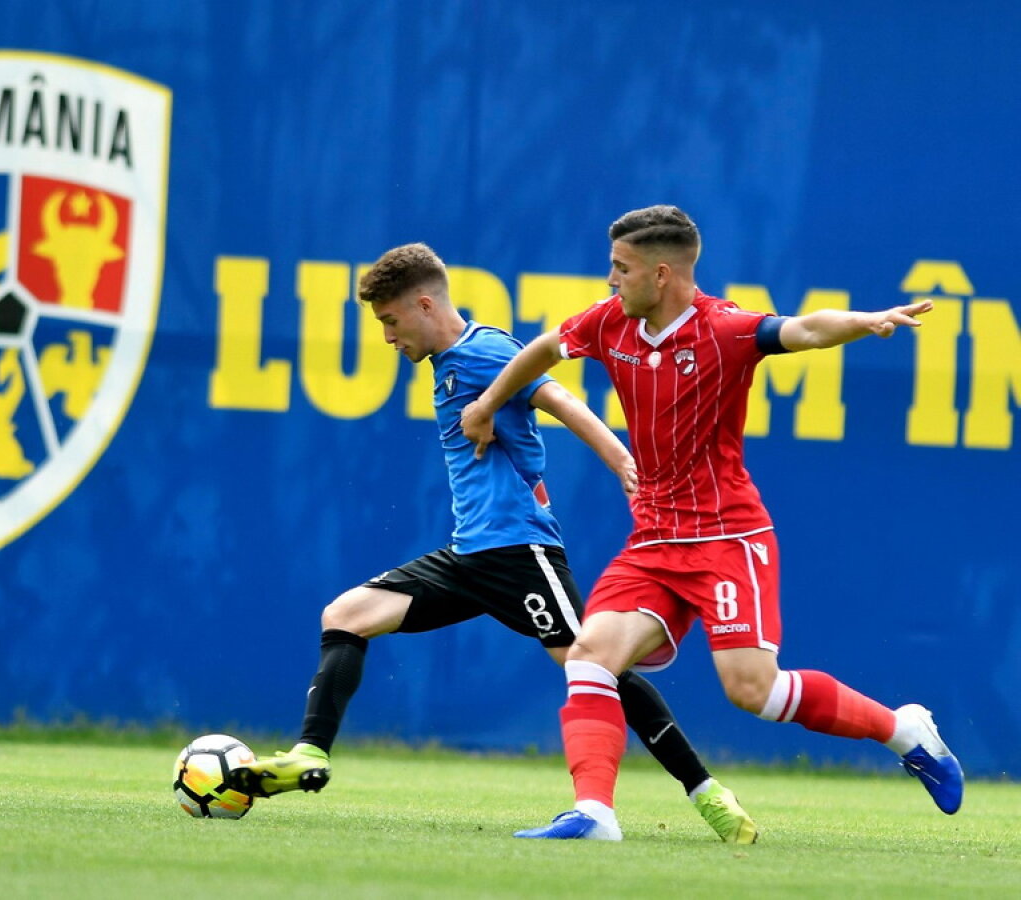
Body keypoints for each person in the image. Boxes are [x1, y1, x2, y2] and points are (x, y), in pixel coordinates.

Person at [460, 205, 964, 841]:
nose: (610, 279)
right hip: (653, 540)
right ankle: (593, 814)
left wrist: (865, 322)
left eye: (622, 268)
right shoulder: (608, 321)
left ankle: (904, 731)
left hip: (726, 536)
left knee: (752, 692)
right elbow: (544, 350)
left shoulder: (724, 329)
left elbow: (805, 329)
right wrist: (486, 404)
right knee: (589, 656)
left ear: (662, 274)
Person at [231, 242, 758, 843]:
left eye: (390, 321)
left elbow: (557, 398)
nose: (387, 337)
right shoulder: (450, 362)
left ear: (425, 304)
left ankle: (705, 791)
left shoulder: (483, 352)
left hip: (518, 552)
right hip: (469, 555)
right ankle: (310, 754)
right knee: (346, 615)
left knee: (594, 666)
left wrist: (620, 460)